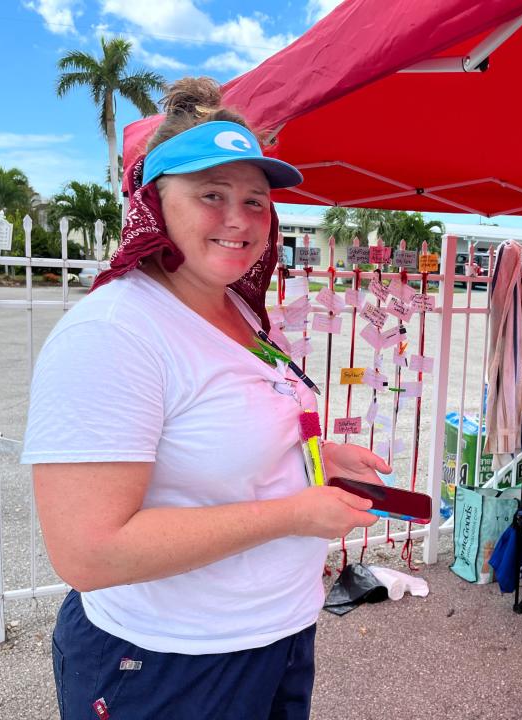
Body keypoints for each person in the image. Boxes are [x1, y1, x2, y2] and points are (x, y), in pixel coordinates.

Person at [22, 77, 390, 720]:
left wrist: (317, 458)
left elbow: (224, 441)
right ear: (155, 204)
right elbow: (88, 551)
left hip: (276, 635)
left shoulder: (242, 315)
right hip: (165, 664)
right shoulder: (114, 333)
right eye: (210, 195)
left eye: (255, 199)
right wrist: (293, 514)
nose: (238, 219)